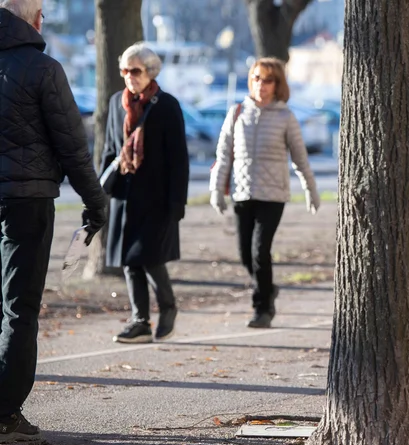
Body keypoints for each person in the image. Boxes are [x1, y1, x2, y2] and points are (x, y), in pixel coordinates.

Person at [0, 0, 107, 442]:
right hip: (26, 200)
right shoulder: (43, 69)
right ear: (34, 18)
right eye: (41, 12)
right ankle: (5, 413)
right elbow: (72, 146)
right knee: (18, 309)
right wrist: (96, 202)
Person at [210, 57, 320, 329]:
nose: (261, 85)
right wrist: (216, 189)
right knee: (245, 254)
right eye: (257, 78)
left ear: (277, 84)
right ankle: (268, 287)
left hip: (273, 195)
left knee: (261, 252)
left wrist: (310, 188)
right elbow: (224, 155)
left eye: (268, 80)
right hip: (242, 193)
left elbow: (300, 158)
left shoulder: (286, 117)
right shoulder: (237, 113)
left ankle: (263, 308)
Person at [100, 42, 189, 344]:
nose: (128, 76)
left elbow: (179, 159)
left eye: (135, 70)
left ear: (151, 71)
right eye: (123, 70)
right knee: (128, 259)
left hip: (156, 196)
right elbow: (110, 149)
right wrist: (100, 188)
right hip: (124, 195)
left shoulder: (166, 104)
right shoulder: (116, 102)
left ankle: (168, 306)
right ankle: (140, 320)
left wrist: (177, 202)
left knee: (149, 257)